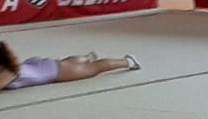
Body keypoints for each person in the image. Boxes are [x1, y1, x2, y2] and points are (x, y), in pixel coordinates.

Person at [0, 44, 140, 91]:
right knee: (68, 63)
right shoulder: (7, 66)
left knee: (93, 69)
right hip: (40, 66)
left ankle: (128, 61)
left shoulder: (9, 72)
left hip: (55, 72)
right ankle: (85, 58)